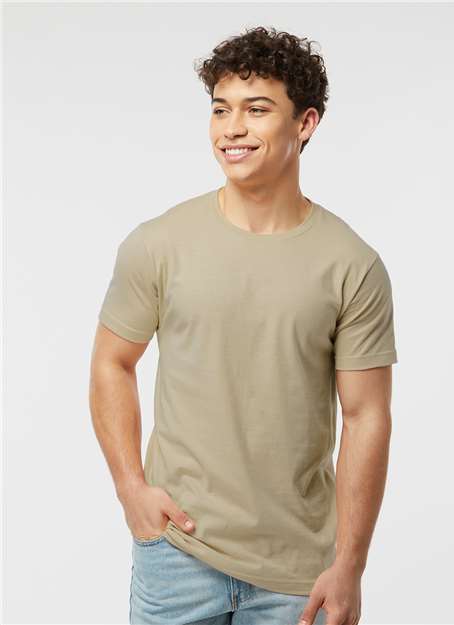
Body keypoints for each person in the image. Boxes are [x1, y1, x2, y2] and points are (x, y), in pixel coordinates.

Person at [89, 26, 398, 625]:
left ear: (305, 123)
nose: (232, 128)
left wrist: (350, 565)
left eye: (257, 110)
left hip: (300, 574)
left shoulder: (352, 265)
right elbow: (111, 362)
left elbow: (366, 416)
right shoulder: (158, 244)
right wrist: (131, 488)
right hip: (177, 554)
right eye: (220, 109)